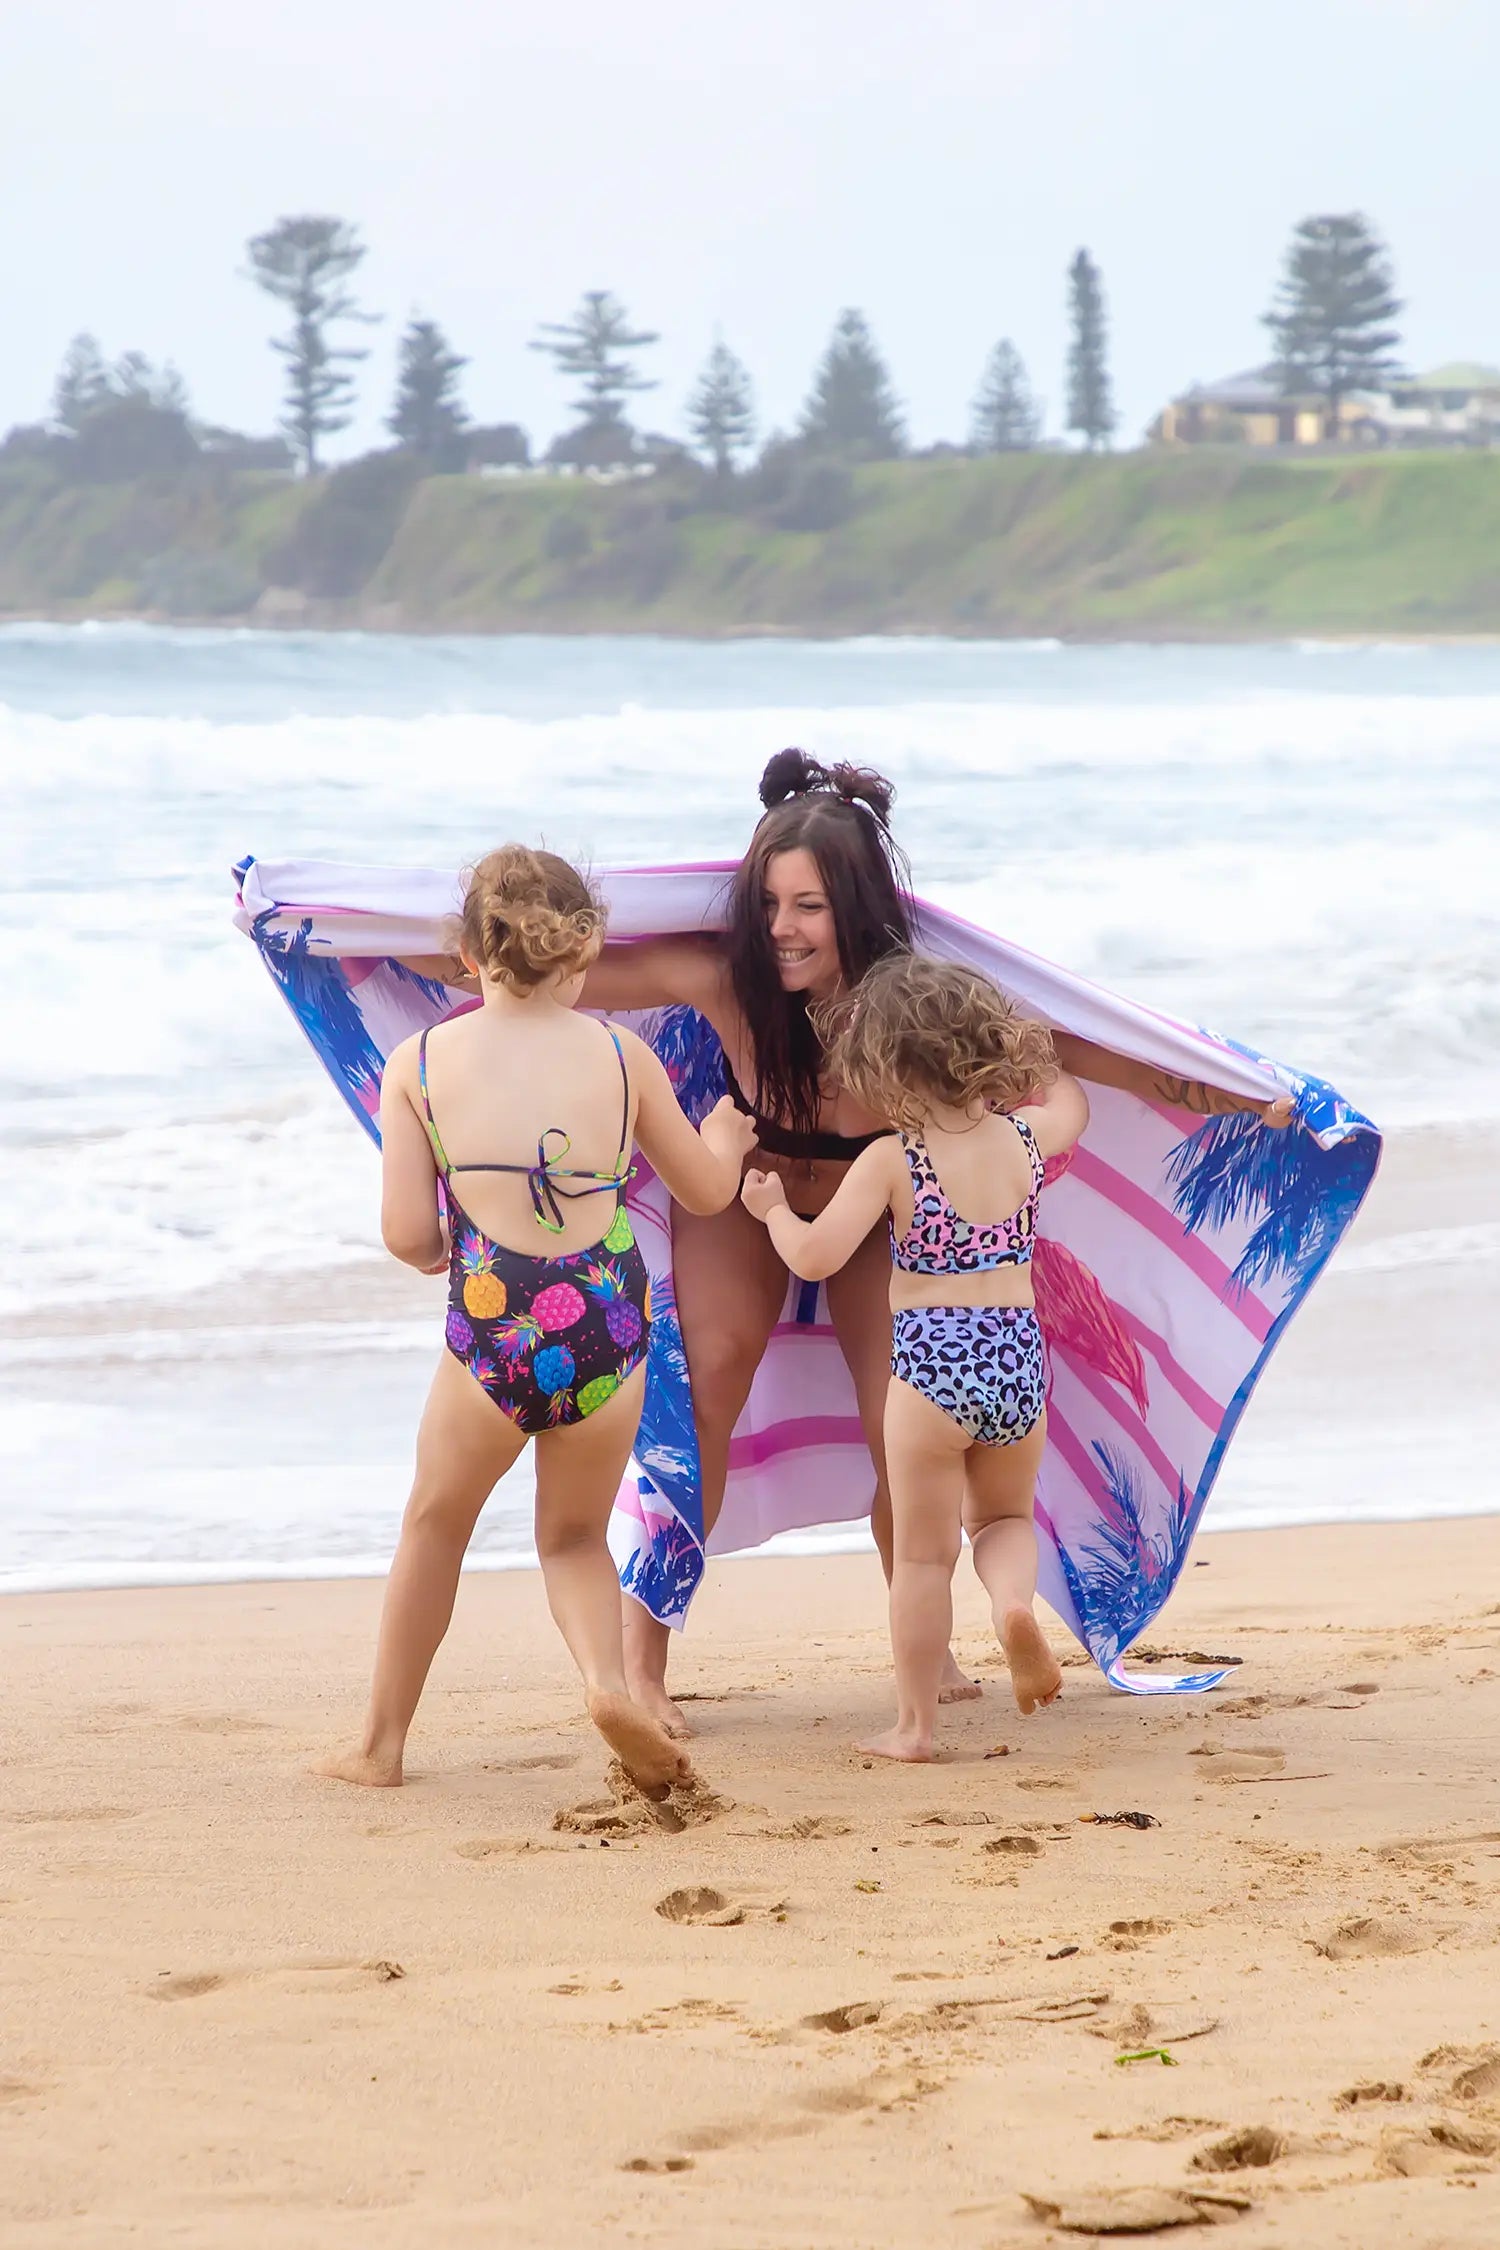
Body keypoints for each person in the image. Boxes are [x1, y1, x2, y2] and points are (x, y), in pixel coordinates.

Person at [405, 749, 1291, 1739]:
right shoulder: (724, 979)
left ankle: (930, 1646)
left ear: (857, 909)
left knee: (897, 1419)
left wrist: (1220, 1090)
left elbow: (1068, 1050)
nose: (781, 929)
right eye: (770, 904)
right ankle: (644, 1661)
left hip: (879, 1198)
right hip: (748, 1186)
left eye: (809, 907)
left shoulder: (909, 1005)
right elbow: (556, 970)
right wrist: (426, 944)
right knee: (709, 1383)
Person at [317, 845, 754, 1796]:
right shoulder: (619, 1055)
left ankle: (380, 1747)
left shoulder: (419, 1063)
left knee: (435, 1524)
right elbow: (707, 1191)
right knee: (572, 1538)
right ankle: (609, 1687)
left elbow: (402, 1232)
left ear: (467, 954)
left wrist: (443, 1249)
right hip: (604, 1326)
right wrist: (724, 1136)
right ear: (583, 951)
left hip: (492, 1328)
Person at [741, 954, 1087, 1761]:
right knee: (1002, 1519)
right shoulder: (1024, 1140)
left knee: (924, 1557)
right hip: (1015, 1362)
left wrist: (770, 1212)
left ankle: (915, 1727)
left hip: (931, 1370)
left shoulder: (894, 1159)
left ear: (884, 1069)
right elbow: (1071, 1101)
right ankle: (1011, 1609)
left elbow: (819, 1258)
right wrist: (1050, 1054)